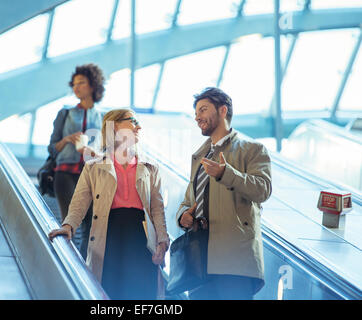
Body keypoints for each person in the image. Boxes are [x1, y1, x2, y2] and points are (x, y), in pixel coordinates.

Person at [49, 109, 170, 300]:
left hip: (142, 239)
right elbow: (80, 201)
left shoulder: (150, 168)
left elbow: (157, 209)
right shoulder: (94, 166)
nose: (139, 126)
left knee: (141, 294)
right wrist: (68, 226)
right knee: (110, 292)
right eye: (132, 121)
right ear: (113, 127)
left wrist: (163, 241)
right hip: (108, 236)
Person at [176, 87, 272, 300]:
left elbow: (263, 189)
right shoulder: (199, 156)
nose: (197, 117)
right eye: (195, 113)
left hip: (235, 263)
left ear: (222, 110)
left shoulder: (253, 150)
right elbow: (188, 200)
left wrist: (226, 173)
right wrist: (183, 217)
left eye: (202, 110)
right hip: (200, 261)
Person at [48, 63, 105, 259]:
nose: (76, 87)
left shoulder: (104, 118)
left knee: (91, 227)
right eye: (74, 84)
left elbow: (107, 152)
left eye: (81, 83)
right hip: (65, 173)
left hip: (92, 176)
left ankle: (84, 268)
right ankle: (68, 262)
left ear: (93, 86)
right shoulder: (65, 114)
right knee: (70, 221)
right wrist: (67, 140)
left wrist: (87, 149)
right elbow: (52, 147)